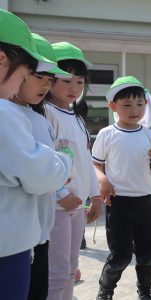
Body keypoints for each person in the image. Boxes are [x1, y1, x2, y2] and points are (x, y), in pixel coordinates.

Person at [0, 10, 71, 300]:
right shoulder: (5, 113)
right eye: (27, 73)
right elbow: (39, 174)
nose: (24, 83)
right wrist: (63, 162)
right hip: (9, 248)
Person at [92, 76, 151, 300]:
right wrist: (102, 179)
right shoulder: (107, 134)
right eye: (127, 105)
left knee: (147, 254)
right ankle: (105, 292)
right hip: (119, 202)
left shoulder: (148, 134)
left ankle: (145, 293)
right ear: (113, 106)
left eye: (140, 104)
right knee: (120, 256)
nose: (135, 110)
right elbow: (95, 163)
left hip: (144, 201)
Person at [44, 41, 103, 300]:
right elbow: (44, 162)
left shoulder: (76, 118)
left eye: (79, 82)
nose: (73, 88)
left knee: (70, 268)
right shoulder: (46, 113)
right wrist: (60, 194)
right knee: (56, 272)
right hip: (55, 206)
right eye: (66, 81)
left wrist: (97, 195)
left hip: (76, 206)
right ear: (49, 79)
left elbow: (85, 160)